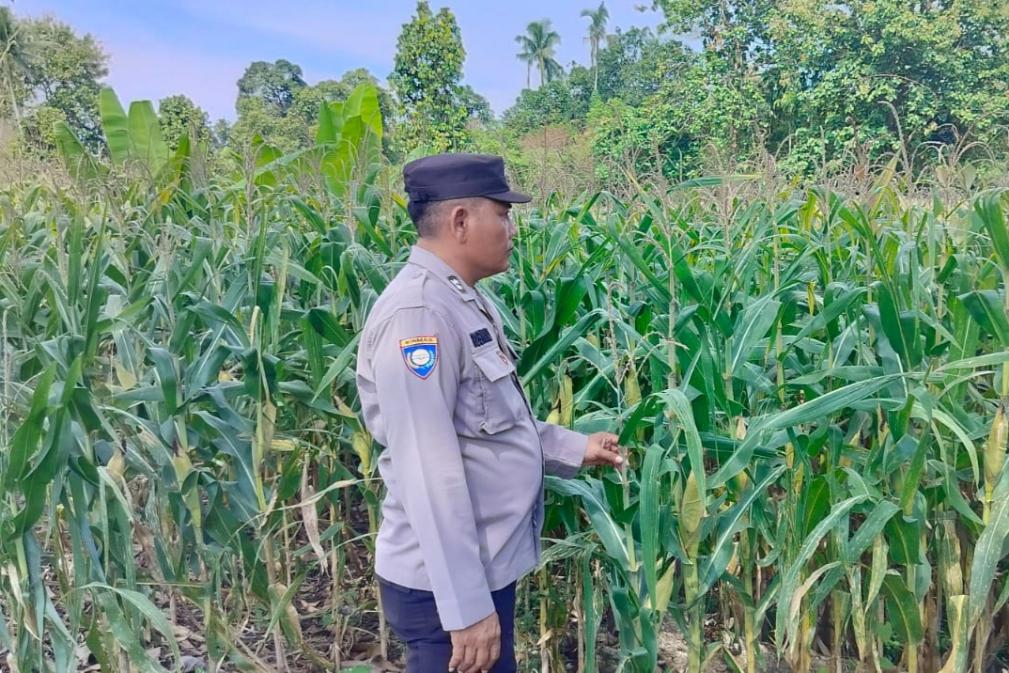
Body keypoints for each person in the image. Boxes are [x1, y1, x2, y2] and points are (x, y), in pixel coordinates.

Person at [356, 153, 624, 673]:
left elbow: (489, 425)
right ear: (460, 221)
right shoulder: (420, 315)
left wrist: (575, 448)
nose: (512, 230)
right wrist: (466, 609)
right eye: (502, 215)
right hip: (446, 588)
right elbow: (427, 470)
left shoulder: (461, 301)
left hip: (479, 572)